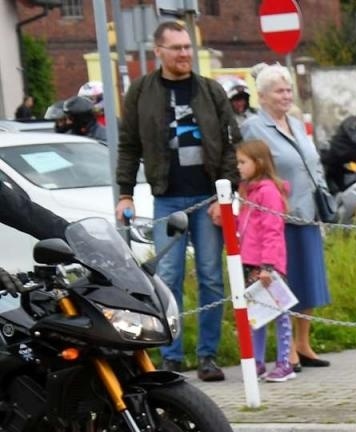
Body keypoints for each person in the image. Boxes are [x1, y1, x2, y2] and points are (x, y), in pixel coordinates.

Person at [116, 18, 241, 382]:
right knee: (167, 279)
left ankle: (208, 356)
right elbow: (128, 147)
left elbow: (231, 145)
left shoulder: (211, 91)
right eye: (177, 48)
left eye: (188, 47)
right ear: (159, 52)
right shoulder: (141, 92)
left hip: (207, 198)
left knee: (211, 278)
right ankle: (171, 356)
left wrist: (226, 193)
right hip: (167, 198)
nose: (185, 54)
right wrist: (125, 193)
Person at [241, 64, 334, 370]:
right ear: (263, 96)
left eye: (289, 90)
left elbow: (312, 160)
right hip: (277, 217)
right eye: (280, 91)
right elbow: (253, 168)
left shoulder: (294, 122)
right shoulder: (255, 128)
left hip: (307, 211)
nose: (286, 96)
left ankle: (303, 343)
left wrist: (321, 193)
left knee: (308, 280)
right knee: (286, 281)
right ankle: (286, 351)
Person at [235, 140, 296, 383]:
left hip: (267, 264)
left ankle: (285, 362)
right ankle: (257, 362)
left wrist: (268, 265)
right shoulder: (248, 191)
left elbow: (272, 230)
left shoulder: (268, 192)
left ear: (258, 163)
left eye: (242, 162)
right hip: (250, 261)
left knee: (279, 313)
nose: (238, 167)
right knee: (255, 313)